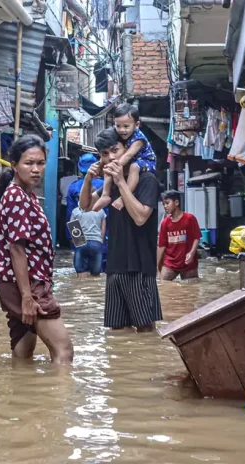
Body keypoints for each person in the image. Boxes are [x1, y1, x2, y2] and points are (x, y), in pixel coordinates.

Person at [0, 135, 74, 364]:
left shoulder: (25, 194)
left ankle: (23, 398)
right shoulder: (17, 196)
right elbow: (17, 249)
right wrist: (27, 297)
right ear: (14, 165)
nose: (36, 169)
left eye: (40, 163)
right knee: (64, 351)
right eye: (29, 163)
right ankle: (58, 400)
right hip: (27, 283)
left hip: (19, 281)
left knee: (23, 353)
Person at [79, 128, 162, 332]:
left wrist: (121, 182)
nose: (111, 157)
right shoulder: (109, 184)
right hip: (115, 265)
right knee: (117, 331)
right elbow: (85, 206)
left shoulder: (146, 179)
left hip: (139, 266)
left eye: (115, 150)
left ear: (126, 149)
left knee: (144, 329)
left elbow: (141, 217)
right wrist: (89, 179)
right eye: (105, 154)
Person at [93, 104, 157, 212]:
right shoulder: (120, 136)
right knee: (111, 165)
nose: (122, 130)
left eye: (126, 126)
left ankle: (124, 197)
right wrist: (101, 165)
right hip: (133, 161)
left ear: (137, 125)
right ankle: (105, 195)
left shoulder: (139, 139)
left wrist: (115, 166)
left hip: (147, 162)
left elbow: (128, 155)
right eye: (118, 126)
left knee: (133, 167)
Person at [157, 190, 201, 281]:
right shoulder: (165, 223)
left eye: (167, 203)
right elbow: (161, 246)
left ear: (176, 202)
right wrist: (157, 266)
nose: (165, 206)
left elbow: (196, 238)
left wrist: (192, 253)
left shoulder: (190, 219)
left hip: (188, 262)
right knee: (163, 285)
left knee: (191, 288)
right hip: (170, 261)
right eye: (163, 204)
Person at [70, 206, 106, 277]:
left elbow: (73, 230)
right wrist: (101, 240)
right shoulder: (101, 211)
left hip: (81, 242)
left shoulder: (76, 211)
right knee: (96, 274)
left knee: (81, 273)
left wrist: (76, 243)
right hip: (96, 242)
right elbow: (103, 229)